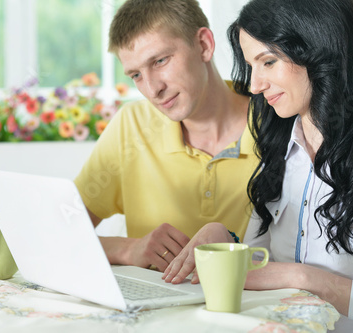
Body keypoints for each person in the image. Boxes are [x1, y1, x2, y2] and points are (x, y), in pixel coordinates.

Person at [162, 0, 353, 328]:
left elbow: (293, 276)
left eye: (268, 61)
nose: (254, 85)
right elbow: (260, 266)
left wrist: (311, 281)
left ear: (321, 52)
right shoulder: (280, 155)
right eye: (252, 65)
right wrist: (225, 239)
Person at [74, 0, 259, 272]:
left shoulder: (279, 124)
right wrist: (128, 249)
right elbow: (58, 234)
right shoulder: (131, 126)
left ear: (204, 45)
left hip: (253, 307)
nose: (152, 89)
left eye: (160, 61)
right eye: (136, 75)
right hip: (154, 311)